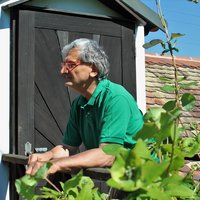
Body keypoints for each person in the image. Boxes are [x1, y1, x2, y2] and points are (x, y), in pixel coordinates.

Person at [26, 38, 144, 176]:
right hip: (121, 179)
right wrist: (48, 155)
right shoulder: (79, 104)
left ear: (93, 70)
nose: (62, 71)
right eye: (63, 64)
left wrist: (57, 164)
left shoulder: (116, 98)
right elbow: (69, 148)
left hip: (145, 179)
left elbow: (108, 154)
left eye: (70, 64)